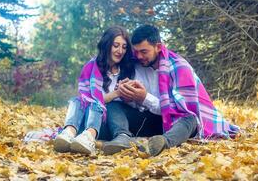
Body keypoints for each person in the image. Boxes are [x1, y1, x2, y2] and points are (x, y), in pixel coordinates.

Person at [103, 24, 240, 156]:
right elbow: (133, 102)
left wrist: (144, 98)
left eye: (144, 52)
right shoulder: (136, 64)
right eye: (136, 51)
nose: (138, 56)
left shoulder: (179, 67)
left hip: (175, 123)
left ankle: (163, 143)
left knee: (190, 119)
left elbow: (182, 110)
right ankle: (122, 137)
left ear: (158, 47)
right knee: (114, 105)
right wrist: (128, 95)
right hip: (148, 120)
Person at [54, 26, 135, 155]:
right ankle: (68, 133)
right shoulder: (91, 67)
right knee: (78, 101)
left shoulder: (127, 70)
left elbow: (130, 105)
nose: (120, 51)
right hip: (89, 119)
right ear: (107, 45)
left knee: (96, 103)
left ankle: (89, 137)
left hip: (111, 123)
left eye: (124, 47)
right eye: (116, 45)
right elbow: (86, 99)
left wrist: (120, 94)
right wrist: (115, 94)